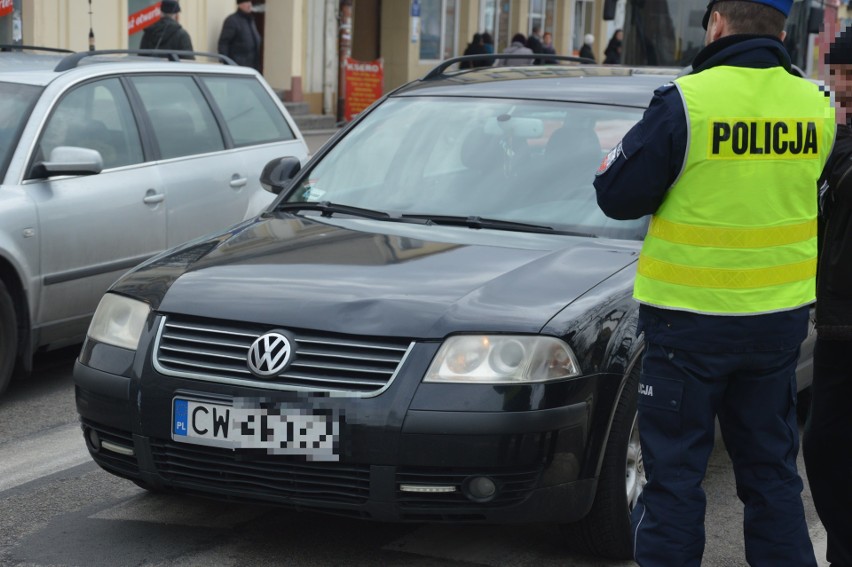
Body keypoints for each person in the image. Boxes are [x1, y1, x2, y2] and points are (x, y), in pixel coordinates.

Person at [593, 0, 835, 565]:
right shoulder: (816, 105)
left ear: (718, 23)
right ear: (781, 29)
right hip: (776, 329)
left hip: (687, 328)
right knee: (773, 477)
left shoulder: (687, 101)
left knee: (673, 483)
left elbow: (616, 194)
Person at [803, 26, 852, 567]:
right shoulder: (829, 136)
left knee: (828, 445)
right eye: (838, 74)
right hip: (836, 324)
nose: (842, 86)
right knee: (823, 448)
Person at [217, 0, 262, 70]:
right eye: (246, 2)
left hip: (251, 67)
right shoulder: (232, 21)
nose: (250, 5)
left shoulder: (250, 20)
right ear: (240, 4)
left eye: (250, 2)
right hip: (238, 67)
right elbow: (223, 43)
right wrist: (226, 63)